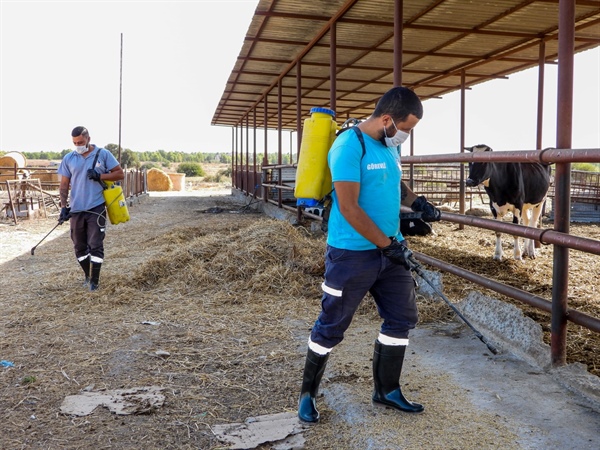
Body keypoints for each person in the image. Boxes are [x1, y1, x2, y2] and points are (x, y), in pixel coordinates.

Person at [298, 87, 441, 423]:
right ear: (387, 119)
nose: (406, 135)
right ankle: (307, 394)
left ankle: (386, 390)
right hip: (352, 254)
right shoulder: (350, 145)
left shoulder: (388, 146)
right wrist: (386, 244)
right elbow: (348, 207)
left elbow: (393, 184)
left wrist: (417, 203)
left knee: (402, 318)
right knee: (331, 325)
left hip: (389, 252)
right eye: (407, 128)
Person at [57, 126, 124, 291]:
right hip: (76, 209)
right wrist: (63, 207)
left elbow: (119, 174)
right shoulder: (69, 158)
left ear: (88, 139)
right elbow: (64, 185)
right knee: (79, 246)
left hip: (96, 207)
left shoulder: (103, 154)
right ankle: (87, 275)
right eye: (75, 143)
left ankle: (95, 281)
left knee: (95, 244)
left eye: (80, 142)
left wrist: (100, 175)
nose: (78, 145)